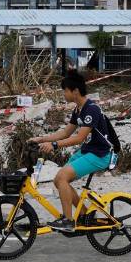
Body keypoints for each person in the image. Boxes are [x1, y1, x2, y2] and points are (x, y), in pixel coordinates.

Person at [29, 71, 113, 232]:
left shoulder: (91, 109)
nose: (64, 94)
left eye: (65, 90)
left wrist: (54, 145)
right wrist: (41, 139)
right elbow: (65, 133)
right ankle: (83, 214)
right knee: (58, 180)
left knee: (62, 178)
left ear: (75, 91)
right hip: (89, 150)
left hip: (100, 154)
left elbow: (79, 138)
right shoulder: (78, 110)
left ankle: (68, 221)